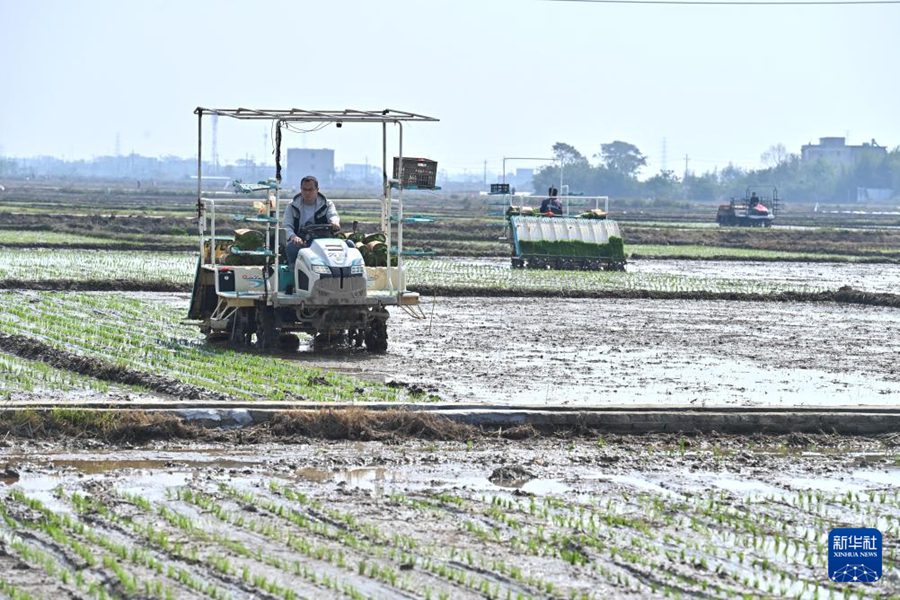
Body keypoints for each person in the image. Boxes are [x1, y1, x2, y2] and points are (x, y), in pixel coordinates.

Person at [283, 175, 340, 264]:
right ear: (300, 189)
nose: (307, 193)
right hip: (302, 241)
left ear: (317, 190)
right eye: (304, 189)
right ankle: (295, 274)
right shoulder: (292, 206)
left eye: (310, 190)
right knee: (291, 248)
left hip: (324, 240)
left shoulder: (327, 205)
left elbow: (333, 215)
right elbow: (287, 226)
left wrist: (334, 222)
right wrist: (293, 236)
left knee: (349, 244)